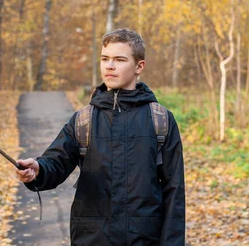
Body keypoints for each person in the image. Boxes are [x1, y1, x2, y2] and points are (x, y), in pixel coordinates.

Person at [15, 28, 185, 246]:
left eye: (119, 59)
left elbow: (174, 192)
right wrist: (38, 170)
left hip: (144, 239)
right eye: (105, 59)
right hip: (92, 238)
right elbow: (55, 162)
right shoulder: (83, 120)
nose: (110, 66)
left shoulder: (160, 120)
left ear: (139, 66)